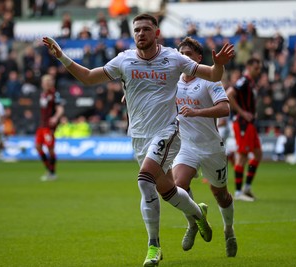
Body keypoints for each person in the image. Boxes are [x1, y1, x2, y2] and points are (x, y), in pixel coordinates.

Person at [43, 13, 234, 267]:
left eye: (146, 29)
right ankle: (198, 213)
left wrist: (219, 64)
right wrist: (62, 57)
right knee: (166, 190)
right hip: (139, 137)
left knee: (145, 180)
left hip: (167, 132)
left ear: (157, 33)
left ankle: (153, 246)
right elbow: (88, 77)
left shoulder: (173, 57)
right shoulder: (125, 61)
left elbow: (211, 74)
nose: (141, 34)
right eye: (137, 30)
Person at [172, 37, 237, 257]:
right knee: (177, 187)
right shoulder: (173, 80)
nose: (184, 58)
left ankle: (229, 230)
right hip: (186, 145)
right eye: (181, 54)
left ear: (199, 58)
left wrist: (196, 112)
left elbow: (225, 109)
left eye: (189, 54)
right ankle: (193, 221)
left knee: (221, 195)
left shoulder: (210, 79)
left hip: (211, 147)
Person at [226, 57, 262, 202]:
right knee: (242, 156)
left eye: (259, 68)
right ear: (248, 67)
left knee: (258, 154)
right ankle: (239, 192)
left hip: (250, 124)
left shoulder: (251, 83)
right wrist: (242, 112)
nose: (258, 71)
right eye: (256, 68)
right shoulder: (244, 81)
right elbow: (229, 94)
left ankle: (246, 187)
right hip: (242, 124)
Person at [35, 74, 64, 181]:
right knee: (38, 146)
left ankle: (52, 173)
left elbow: (60, 109)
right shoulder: (43, 94)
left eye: (48, 82)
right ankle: (49, 169)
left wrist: (55, 118)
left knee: (50, 149)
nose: (46, 84)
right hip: (42, 125)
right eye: (45, 82)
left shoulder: (54, 94)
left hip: (49, 126)